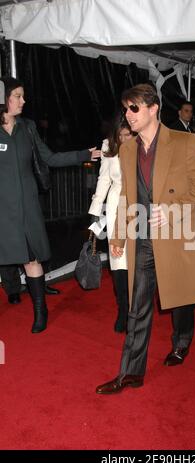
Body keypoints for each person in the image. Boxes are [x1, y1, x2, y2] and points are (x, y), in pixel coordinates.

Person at [95, 83, 195, 394]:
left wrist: (173, 210)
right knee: (137, 305)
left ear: (154, 109)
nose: (128, 115)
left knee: (181, 294)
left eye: (134, 108)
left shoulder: (183, 141)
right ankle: (130, 373)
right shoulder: (127, 149)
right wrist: (119, 237)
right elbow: (127, 196)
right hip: (141, 234)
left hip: (177, 233)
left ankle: (181, 342)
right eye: (126, 109)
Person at [0, 76, 101, 333]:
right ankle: (15, 291)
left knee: (31, 258)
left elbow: (50, 158)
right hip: (3, 209)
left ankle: (39, 310)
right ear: (3, 99)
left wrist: (83, 155)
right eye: (18, 96)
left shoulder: (28, 128)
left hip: (28, 207)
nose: (24, 101)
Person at [88, 119, 134, 332]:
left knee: (138, 262)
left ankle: (137, 310)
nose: (125, 139)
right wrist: (95, 211)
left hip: (140, 208)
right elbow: (104, 179)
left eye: (129, 134)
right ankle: (123, 310)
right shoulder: (108, 146)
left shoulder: (145, 144)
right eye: (121, 135)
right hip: (116, 207)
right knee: (118, 262)